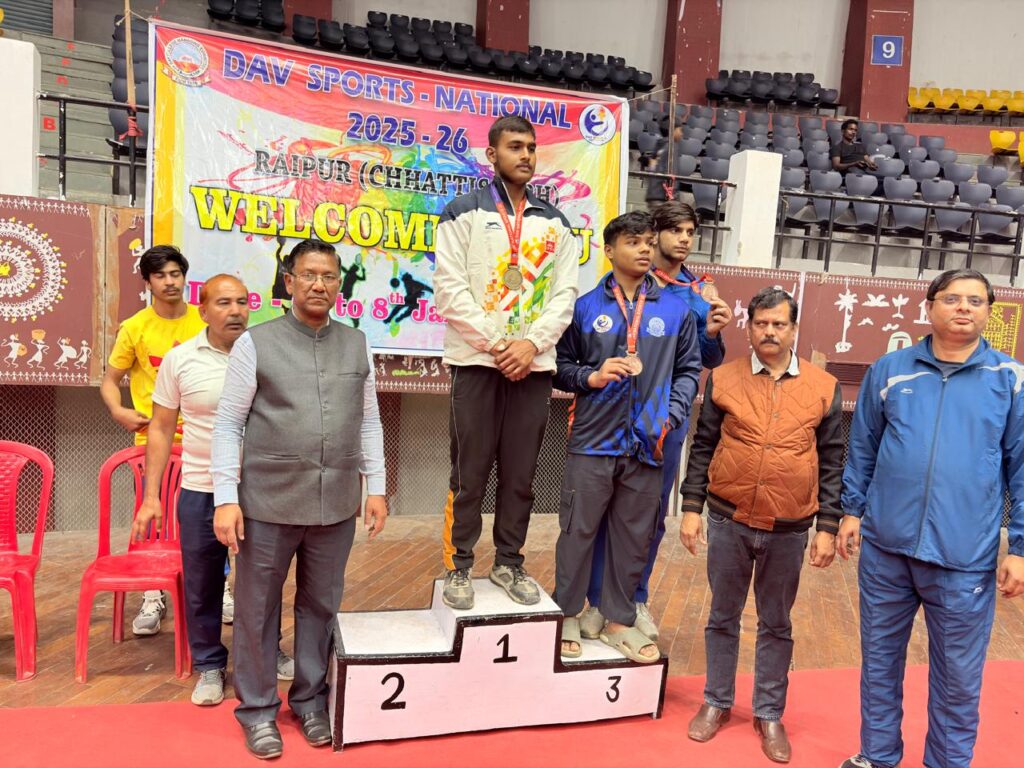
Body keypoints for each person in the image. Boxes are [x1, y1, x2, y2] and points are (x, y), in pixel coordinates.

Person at [837, 269, 1024, 768]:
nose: (964, 308)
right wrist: (852, 510)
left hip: (964, 558)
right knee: (879, 663)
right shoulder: (890, 369)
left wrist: (1021, 548)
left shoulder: (1009, 379)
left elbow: (1022, 467)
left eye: (976, 301)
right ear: (929, 306)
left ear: (989, 312)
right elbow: (863, 447)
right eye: (952, 298)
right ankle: (878, 755)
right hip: (886, 550)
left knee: (958, 678)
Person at [210, 239, 388, 759]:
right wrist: (226, 497)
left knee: (320, 606)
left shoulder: (356, 343)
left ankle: (310, 701)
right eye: (308, 274)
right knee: (256, 609)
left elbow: (369, 421)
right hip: (267, 503)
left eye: (329, 276)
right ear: (288, 281)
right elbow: (228, 424)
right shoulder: (256, 343)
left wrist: (376, 487)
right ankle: (257, 710)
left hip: (335, 504)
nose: (318, 285)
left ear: (339, 285)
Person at [680, 287, 843, 764]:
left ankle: (769, 713)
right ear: (748, 327)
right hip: (728, 518)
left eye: (779, 324)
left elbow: (833, 459)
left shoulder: (823, 386)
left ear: (793, 329)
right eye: (761, 324)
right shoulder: (723, 378)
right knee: (722, 616)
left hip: (789, 527)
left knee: (776, 623)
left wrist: (827, 525)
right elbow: (703, 445)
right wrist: (691, 507)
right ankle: (716, 701)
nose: (769, 332)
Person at [433, 115, 579, 610]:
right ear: (491, 154)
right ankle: (458, 566)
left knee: (520, 474)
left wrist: (531, 345)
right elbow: (449, 291)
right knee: (469, 472)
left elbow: (565, 294)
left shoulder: (556, 223)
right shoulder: (461, 213)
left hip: (532, 368)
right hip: (477, 362)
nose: (526, 156)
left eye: (531, 148)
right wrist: (501, 344)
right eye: (515, 147)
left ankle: (509, 562)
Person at [131, 275, 293, 708]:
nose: (236, 311)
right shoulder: (180, 359)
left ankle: (266, 652)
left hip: (259, 490)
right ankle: (208, 663)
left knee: (264, 582)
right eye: (223, 303)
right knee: (202, 583)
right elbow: (161, 428)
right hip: (201, 489)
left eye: (242, 301)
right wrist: (151, 496)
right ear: (202, 310)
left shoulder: (268, 354)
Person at [579, 201, 733, 641]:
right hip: (610, 416)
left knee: (648, 516)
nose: (684, 239)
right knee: (603, 511)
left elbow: (704, 360)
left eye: (690, 231)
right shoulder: (624, 283)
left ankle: (634, 597)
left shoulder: (700, 292)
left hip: (662, 423)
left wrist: (713, 333)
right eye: (674, 231)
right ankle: (597, 600)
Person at [553, 210, 700, 663]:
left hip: (647, 443)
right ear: (609, 249)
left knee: (633, 536)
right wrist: (591, 377)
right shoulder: (585, 307)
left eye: (648, 242)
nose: (643, 249)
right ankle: (567, 613)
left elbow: (688, 370)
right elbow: (560, 366)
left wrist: (671, 415)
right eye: (633, 242)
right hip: (592, 440)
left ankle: (618, 620)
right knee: (577, 530)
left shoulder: (675, 309)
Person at [100, 245, 206, 637]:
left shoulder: (204, 321)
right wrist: (118, 410)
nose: (170, 282)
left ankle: (220, 587)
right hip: (154, 442)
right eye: (160, 275)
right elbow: (110, 381)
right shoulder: (136, 327)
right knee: (155, 518)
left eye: (176, 273)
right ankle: (152, 594)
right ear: (147, 282)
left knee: (208, 520)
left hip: (202, 441)